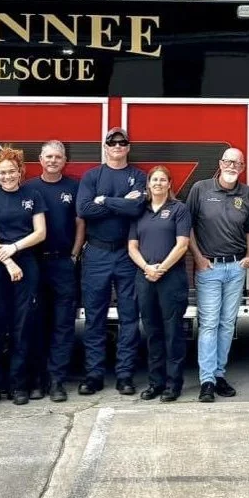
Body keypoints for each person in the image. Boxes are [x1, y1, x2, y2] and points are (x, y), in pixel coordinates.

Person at [76, 127, 146, 395]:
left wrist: (104, 200)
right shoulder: (93, 175)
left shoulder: (137, 176)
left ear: (128, 147)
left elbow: (137, 207)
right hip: (96, 253)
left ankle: (125, 374)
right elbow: (84, 209)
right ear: (105, 147)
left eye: (122, 142)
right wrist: (120, 203)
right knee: (94, 317)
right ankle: (93, 375)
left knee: (130, 316)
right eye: (112, 142)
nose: (117, 146)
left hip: (127, 254)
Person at [187, 147, 249, 402]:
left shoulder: (246, 193)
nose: (232, 166)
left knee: (228, 324)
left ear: (242, 168)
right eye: (228, 162)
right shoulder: (201, 189)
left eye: (237, 163)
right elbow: (189, 227)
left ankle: (219, 375)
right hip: (209, 268)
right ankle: (206, 380)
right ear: (220, 163)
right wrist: (197, 257)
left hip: (236, 267)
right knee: (208, 324)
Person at [0, 146, 48, 406]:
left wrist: (16, 248)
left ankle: (20, 385)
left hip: (27, 261)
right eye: (2, 172)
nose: (7, 176)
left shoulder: (33, 195)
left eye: (12, 171)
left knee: (23, 324)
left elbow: (40, 232)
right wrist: (8, 261)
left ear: (20, 171)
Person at [23, 140, 84, 402]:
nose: (53, 160)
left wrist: (74, 254)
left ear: (64, 160)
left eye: (58, 156)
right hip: (34, 264)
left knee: (63, 324)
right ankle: (37, 380)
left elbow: (81, 222)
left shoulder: (74, 187)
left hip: (63, 264)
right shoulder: (28, 188)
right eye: (48, 156)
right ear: (40, 159)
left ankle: (57, 380)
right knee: (36, 324)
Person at [128, 166, 192, 402]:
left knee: (172, 333)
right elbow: (132, 246)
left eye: (162, 180)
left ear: (169, 184)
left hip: (171, 279)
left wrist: (161, 268)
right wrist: (147, 268)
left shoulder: (179, 209)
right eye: (154, 180)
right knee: (152, 332)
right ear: (148, 184)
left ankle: (173, 385)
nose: (157, 183)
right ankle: (156, 383)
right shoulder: (140, 212)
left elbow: (182, 245)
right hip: (145, 278)